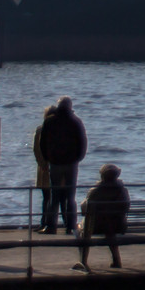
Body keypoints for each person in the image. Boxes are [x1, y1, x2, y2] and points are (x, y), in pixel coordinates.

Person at [38, 96, 88, 234]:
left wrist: (47, 158)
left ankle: (51, 226)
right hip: (71, 163)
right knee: (70, 196)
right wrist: (78, 158)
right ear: (70, 106)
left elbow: (43, 143)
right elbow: (83, 142)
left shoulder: (49, 121)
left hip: (55, 162)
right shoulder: (76, 121)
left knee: (55, 195)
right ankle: (71, 226)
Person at [73, 163, 130, 271]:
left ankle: (83, 261)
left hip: (95, 226)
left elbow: (85, 209)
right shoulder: (122, 190)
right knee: (110, 232)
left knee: (79, 230)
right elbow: (126, 207)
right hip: (117, 225)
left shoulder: (95, 191)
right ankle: (116, 260)